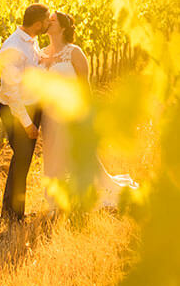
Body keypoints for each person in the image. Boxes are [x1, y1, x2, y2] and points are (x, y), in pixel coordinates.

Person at [42, 11, 138, 210]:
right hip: (50, 115)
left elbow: (85, 87)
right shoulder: (42, 53)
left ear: (62, 27)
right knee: (53, 158)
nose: (47, 23)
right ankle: (56, 201)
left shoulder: (74, 52)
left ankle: (90, 193)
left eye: (52, 20)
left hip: (72, 112)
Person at [0, 3, 50, 221]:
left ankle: (11, 212)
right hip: (16, 111)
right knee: (22, 160)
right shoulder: (13, 48)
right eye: (47, 20)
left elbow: (31, 71)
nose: (49, 23)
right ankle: (13, 215)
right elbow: (12, 92)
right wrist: (27, 123)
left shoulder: (31, 40)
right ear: (38, 23)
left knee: (22, 160)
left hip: (30, 106)